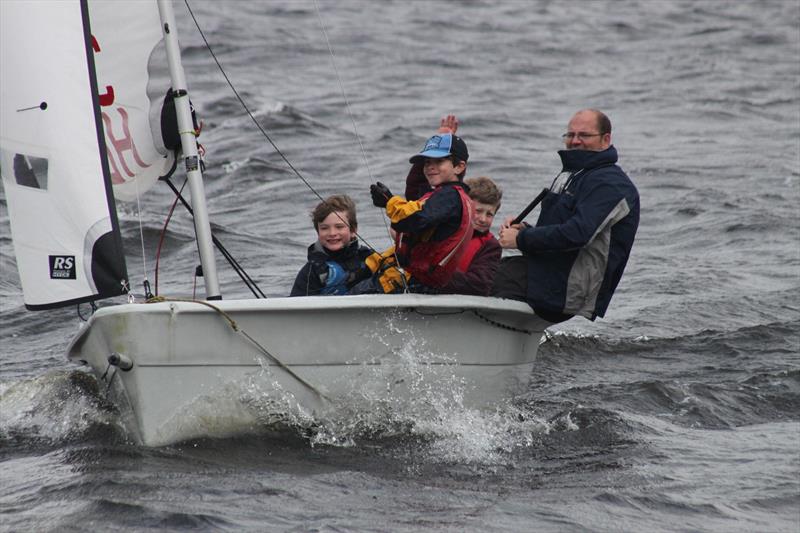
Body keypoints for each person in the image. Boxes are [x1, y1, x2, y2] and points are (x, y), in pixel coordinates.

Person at [492, 109, 640, 323]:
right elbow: (560, 229)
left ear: (605, 139)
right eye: (570, 135)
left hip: (568, 287)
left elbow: (577, 233)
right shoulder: (574, 175)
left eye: (584, 135)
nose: (575, 141)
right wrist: (526, 230)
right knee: (478, 267)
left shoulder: (610, 184)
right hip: (548, 272)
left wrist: (521, 239)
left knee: (486, 279)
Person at [359, 125, 473, 294]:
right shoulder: (445, 194)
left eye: (439, 161)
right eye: (427, 162)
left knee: (350, 292)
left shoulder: (449, 196)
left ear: (459, 167)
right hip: (418, 281)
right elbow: (415, 189)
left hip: (415, 282)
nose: (430, 167)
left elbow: (413, 221)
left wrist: (389, 202)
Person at [290, 194, 372, 296]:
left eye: (339, 227)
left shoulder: (369, 260)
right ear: (318, 231)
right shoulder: (312, 271)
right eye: (324, 228)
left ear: (353, 230)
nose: (332, 233)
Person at [438, 176, 503, 296]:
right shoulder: (441, 231)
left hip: (457, 303)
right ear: (464, 206)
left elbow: (480, 286)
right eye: (478, 211)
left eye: (489, 214)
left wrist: (437, 274)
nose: (483, 219)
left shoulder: (491, 246)